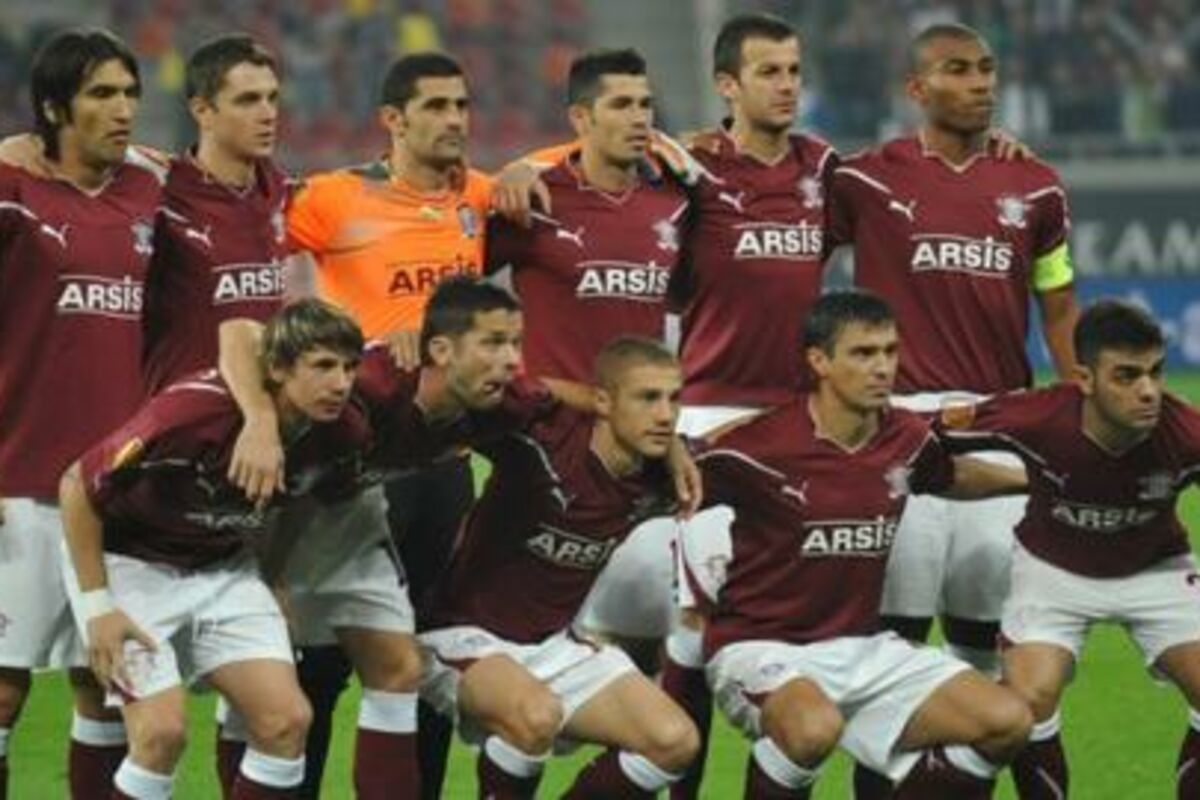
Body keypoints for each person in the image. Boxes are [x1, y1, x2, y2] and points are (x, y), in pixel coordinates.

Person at [687, 290, 1032, 798]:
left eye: (890, 351)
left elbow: (952, 475)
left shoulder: (907, 439)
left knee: (1006, 722)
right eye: (864, 353)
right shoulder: (756, 445)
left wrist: (1033, 481)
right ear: (819, 361)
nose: (883, 368)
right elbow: (671, 482)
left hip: (861, 647)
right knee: (812, 730)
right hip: (760, 647)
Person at [828, 22, 1079, 679]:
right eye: (959, 70)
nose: (981, 84)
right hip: (897, 424)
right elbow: (787, 252)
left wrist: (1078, 398)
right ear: (917, 88)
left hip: (1001, 425)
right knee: (895, 639)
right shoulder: (865, 179)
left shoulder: (1037, 186)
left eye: (986, 69)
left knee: (987, 638)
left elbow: (1057, 300)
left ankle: (970, 746)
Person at [57, 299, 367, 800]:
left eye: (350, 368)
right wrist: (97, 607)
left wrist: (273, 575)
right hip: (129, 563)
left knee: (287, 722)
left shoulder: (342, 432)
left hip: (222, 566)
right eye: (323, 366)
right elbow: (77, 486)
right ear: (277, 369)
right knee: (161, 735)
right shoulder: (193, 413)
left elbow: (301, 502)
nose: (341, 384)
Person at [934, 300, 1200, 800]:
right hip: (1052, 570)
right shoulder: (1035, 415)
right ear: (1084, 379)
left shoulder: (1186, 433)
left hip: (1156, 569)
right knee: (1027, 701)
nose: (1148, 391)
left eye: (1155, 372)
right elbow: (925, 435)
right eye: (1126, 376)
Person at [419, 336, 700, 798]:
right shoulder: (544, 441)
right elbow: (483, 386)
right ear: (602, 401)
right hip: (462, 633)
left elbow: (747, 453)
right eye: (648, 398)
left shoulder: (666, 474)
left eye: (674, 398)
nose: (665, 415)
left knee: (674, 742)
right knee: (535, 717)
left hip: (553, 644)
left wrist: (679, 451)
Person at [0, 28, 162, 798]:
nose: (123, 108)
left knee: (104, 682)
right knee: (4, 691)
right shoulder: (11, 189)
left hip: (116, 486)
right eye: (102, 93)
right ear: (55, 108)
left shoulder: (150, 192)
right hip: (19, 481)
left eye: (130, 92)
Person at [484, 47, 690, 384]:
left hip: (637, 413)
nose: (639, 118)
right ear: (580, 118)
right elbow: (456, 281)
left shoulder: (675, 205)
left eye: (644, 105)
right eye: (621, 105)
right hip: (550, 416)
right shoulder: (534, 199)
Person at [142, 33, 290, 395]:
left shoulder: (287, 195)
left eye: (272, 98)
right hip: (182, 418)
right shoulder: (158, 194)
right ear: (202, 111)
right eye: (248, 100)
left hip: (266, 419)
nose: (268, 114)